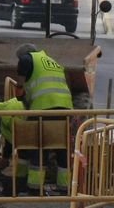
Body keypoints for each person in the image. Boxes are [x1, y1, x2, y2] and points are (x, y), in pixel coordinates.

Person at [13, 43, 73, 192]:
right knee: (61, 147)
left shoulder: (27, 58)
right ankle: (65, 188)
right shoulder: (51, 61)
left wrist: (19, 89)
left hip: (44, 107)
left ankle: (34, 188)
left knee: (39, 146)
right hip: (64, 108)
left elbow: (21, 87)